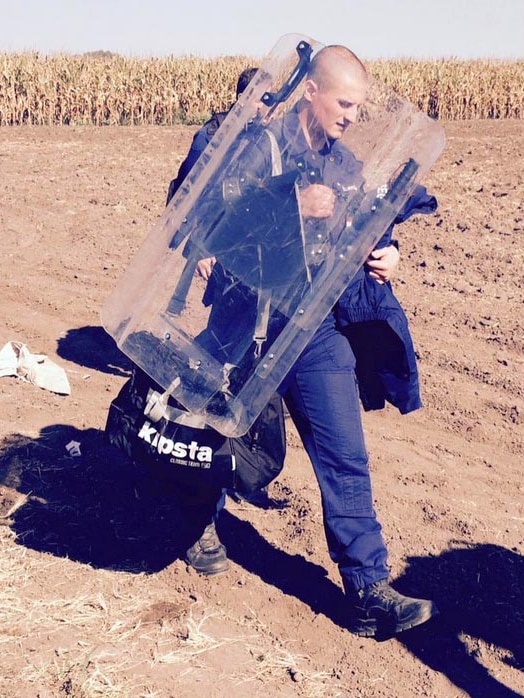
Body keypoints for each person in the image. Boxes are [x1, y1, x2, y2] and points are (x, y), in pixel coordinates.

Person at [183, 45, 440, 639]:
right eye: (344, 103)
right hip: (244, 316)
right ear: (311, 93)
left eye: (359, 106)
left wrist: (383, 252)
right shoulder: (253, 147)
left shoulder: (346, 166)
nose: (351, 115)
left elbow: (354, 228)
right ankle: (195, 521)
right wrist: (288, 202)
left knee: (343, 452)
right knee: (212, 428)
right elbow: (201, 220)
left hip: (313, 327)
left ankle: (369, 587)